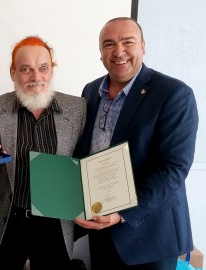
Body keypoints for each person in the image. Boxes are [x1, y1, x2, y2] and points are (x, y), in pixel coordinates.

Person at [74, 17, 199, 270]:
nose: (118, 51)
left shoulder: (174, 94)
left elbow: (172, 169)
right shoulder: (90, 91)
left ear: (143, 46)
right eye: (109, 44)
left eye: (127, 42)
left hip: (149, 236)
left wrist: (122, 214)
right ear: (100, 53)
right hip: (101, 229)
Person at [0, 36, 86, 270]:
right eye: (26, 69)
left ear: (52, 70)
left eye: (43, 68)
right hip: (9, 219)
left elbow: (81, 163)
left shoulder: (77, 108)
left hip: (57, 223)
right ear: (13, 72)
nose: (36, 77)